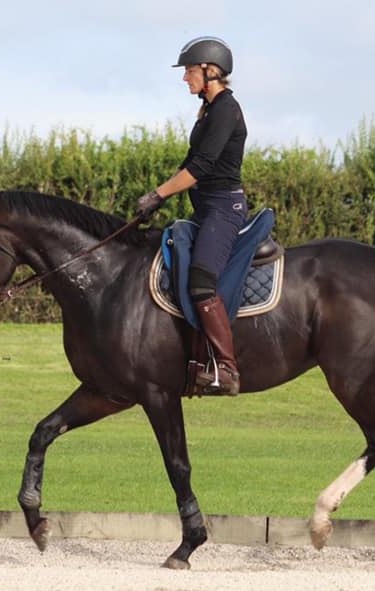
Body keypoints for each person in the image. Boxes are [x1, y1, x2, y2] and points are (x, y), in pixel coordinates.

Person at [135, 36, 248, 396]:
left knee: (201, 283)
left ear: (210, 71)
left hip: (224, 209)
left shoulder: (226, 110)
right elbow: (189, 163)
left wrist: (159, 193)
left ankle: (227, 370)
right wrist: (161, 198)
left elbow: (200, 168)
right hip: (206, 208)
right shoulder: (209, 112)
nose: (185, 78)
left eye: (189, 71)